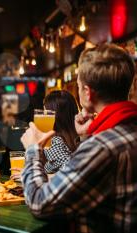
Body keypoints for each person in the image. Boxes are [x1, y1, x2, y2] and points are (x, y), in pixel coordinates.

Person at [20, 44, 137, 233]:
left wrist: (33, 151)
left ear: (87, 92)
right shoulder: (121, 133)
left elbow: (40, 203)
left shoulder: (102, 148)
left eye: (79, 85)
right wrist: (87, 136)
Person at [11, 90, 79, 178]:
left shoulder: (54, 141)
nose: (44, 114)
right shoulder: (77, 137)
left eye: (46, 111)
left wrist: (34, 175)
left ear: (56, 116)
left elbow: (71, 175)